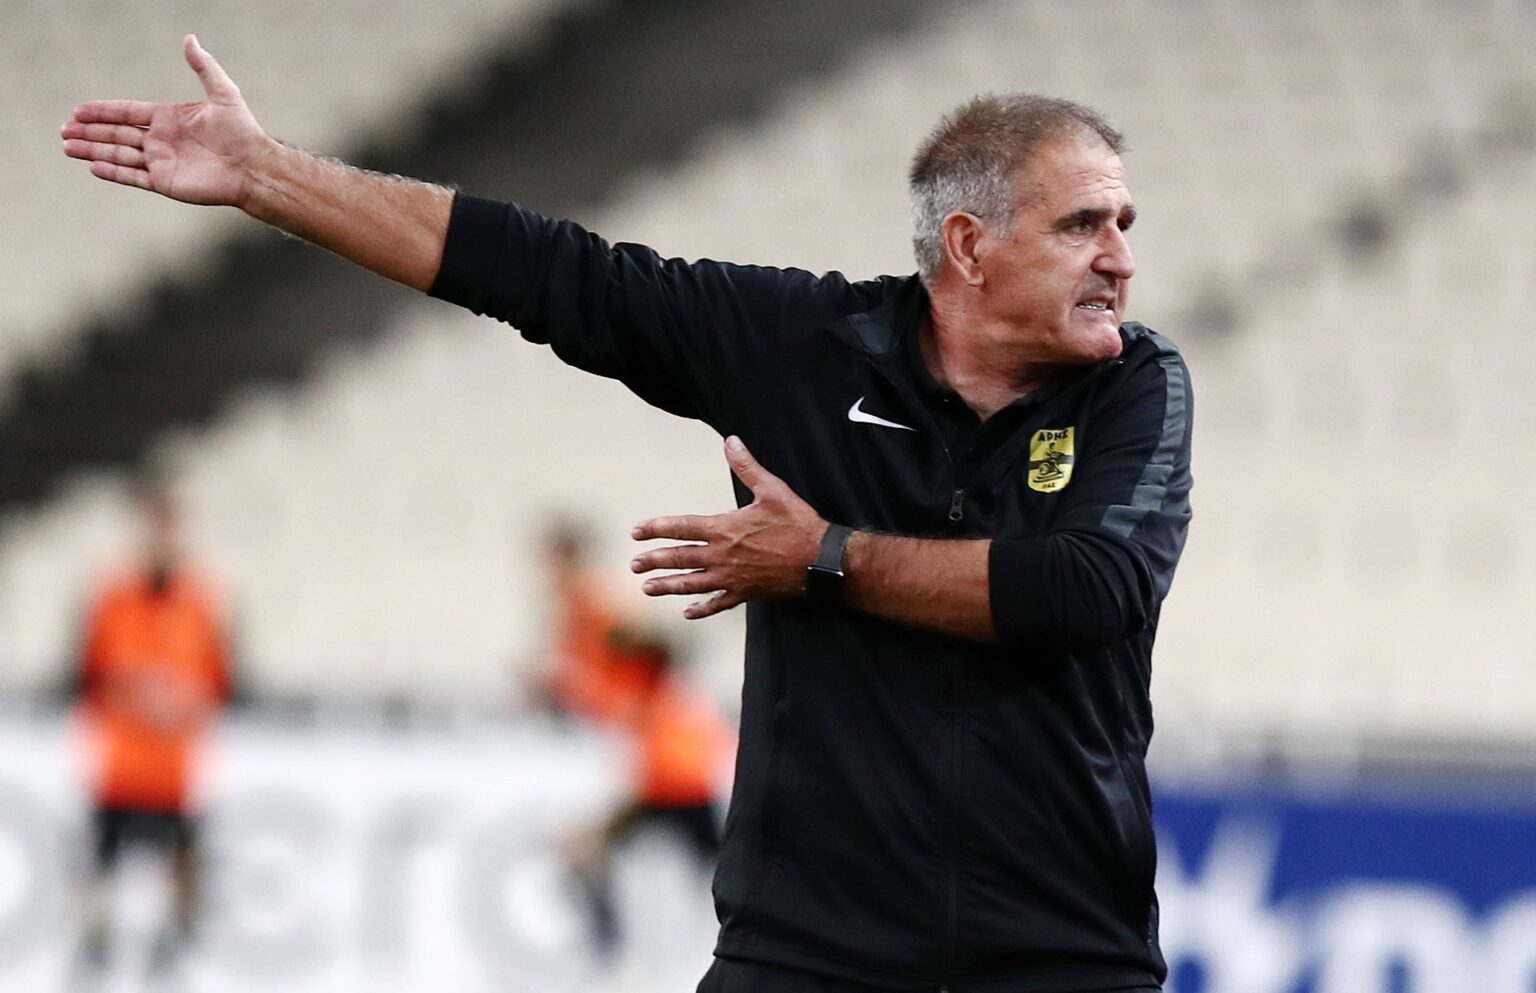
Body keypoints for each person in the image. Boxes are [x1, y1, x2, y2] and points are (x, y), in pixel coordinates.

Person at [63, 36, 1192, 993]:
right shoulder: (802, 349)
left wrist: (823, 558)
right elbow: (544, 271)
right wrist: (265, 176)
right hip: (810, 954)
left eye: (1124, 223)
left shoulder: (1136, 387)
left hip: (1064, 954)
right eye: (1083, 225)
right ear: (969, 246)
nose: (1122, 260)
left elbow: (1087, 590)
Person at [67, 478, 232, 977]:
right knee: (101, 870)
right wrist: (138, 696)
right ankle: (93, 952)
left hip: (173, 773)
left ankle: (173, 955)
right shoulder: (113, 601)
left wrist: (179, 702)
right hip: (121, 768)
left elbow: (221, 686)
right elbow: (85, 678)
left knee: (180, 873)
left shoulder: (200, 605)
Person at [564, 624, 732, 961]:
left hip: (688, 797)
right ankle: (606, 942)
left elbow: (701, 751)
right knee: (586, 855)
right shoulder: (649, 697)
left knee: (726, 872)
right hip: (656, 797)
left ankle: (733, 939)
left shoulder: (675, 700)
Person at [534, 517, 652, 725]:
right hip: (591, 712)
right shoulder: (572, 604)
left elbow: (635, 659)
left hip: (611, 715)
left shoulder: (595, 601)